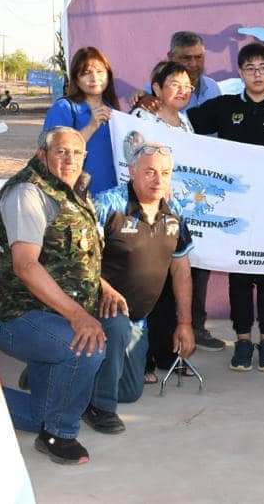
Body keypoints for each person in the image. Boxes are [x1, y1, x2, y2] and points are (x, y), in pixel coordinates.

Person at [0, 126, 106, 465]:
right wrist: (78, 315)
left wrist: (105, 289)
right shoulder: (28, 192)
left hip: (52, 312)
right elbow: (26, 266)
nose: (69, 159)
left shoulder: (70, 189)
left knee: (38, 413)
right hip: (20, 314)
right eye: (60, 151)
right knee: (87, 347)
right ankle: (59, 434)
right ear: (42, 154)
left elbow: (82, 254)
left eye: (77, 153)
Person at [188, 42, 264, 372]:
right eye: (250, 68)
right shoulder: (223, 107)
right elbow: (180, 125)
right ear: (240, 73)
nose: (257, 74)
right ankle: (242, 341)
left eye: (263, 68)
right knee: (239, 277)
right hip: (234, 212)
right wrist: (149, 104)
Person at [82, 143, 196, 434]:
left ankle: (57, 374)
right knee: (117, 326)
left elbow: (181, 268)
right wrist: (104, 288)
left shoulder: (175, 211)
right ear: (132, 172)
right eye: (150, 172)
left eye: (165, 173)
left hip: (138, 318)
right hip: (97, 305)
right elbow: (81, 259)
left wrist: (184, 323)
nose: (158, 180)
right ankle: (100, 409)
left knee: (131, 392)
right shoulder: (108, 204)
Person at [133, 32, 224, 350]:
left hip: (190, 200)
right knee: (155, 272)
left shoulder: (208, 93)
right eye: (186, 58)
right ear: (170, 58)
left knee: (193, 269)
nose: (194, 64)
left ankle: (192, 329)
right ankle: (149, 347)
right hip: (154, 204)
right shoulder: (146, 106)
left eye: (199, 57)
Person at [43, 46, 121, 195]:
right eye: (86, 73)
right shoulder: (64, 108)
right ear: (76, 79)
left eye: (100, 72)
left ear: (108, 75)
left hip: (112, 197)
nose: (94, 78)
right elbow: (51, 154)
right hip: (78, 197)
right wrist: (91, 126)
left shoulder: (113, 110)